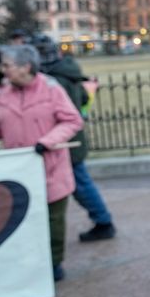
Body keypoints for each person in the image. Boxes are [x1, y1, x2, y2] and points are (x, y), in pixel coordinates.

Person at [0, 45, 83, 281]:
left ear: (25, 67)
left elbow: (72, 121)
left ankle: (54, 263)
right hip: (20, 173)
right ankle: (30, 262)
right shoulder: (4, 93)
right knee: (24, 220)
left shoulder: (51, 89)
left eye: (7, 65)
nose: (3, 70)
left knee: (53, 220)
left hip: (51, 169)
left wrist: (47, 141)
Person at [35, 35, 116, 242]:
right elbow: (81, 99)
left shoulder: (53, 80)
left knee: (80, 184)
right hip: (69, 138)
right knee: (80, 182)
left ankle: (103, 221)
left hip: (64, 140)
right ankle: (102, 220)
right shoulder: (67, 71)